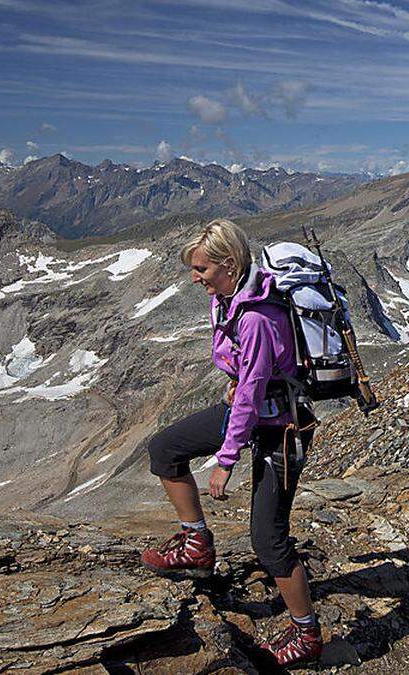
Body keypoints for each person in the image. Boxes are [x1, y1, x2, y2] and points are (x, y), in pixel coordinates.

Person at [139, 219, 322, 667]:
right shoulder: (227, 301)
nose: (194, 277)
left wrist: (225, 460)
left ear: (228, 264)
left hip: (281, 430)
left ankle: (307, 633)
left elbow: (256, 390)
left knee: (268, 539)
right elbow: (246, 376)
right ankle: (196, 543)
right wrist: (234, 380)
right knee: (165, 449)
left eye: (201, 268)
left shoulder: (257, 316)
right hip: (252, 410)